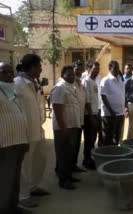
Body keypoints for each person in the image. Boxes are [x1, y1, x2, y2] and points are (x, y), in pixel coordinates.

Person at [14, 54, 49, 208]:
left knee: (40, 159)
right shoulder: (17, 84)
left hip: (38, 130)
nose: (41, 69)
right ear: (33, 67)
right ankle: (23, 196)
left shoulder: (34, 83)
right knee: (25, 165)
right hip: (25, 132)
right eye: (40, 66)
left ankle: (33, 186)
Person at [0, 62, 29, 214]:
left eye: (11, 72)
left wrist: (26, 140)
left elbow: (22, 116)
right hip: (5, 144)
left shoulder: (14, 92)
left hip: (19, 142)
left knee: (15, 179)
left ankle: (14, 207)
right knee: (5, 180)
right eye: (4, 72)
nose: (9, 75)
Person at [51, 66, 81, 190]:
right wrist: (63, 128)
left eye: (73, 74)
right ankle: (64, 180)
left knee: (69, 153)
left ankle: (67, 175)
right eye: (68, 74)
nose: (71, 77)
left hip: (72, 125)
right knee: (63, 153)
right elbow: (57, 109)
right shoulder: (59, 88)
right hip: (64, 127)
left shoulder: (71, 86)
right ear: (62, 75)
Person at [100, 61, 125, 145]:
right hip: (109, 115)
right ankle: (107, 156)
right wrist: (111, 111)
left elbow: (122, 95)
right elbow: (103, 97)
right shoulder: (105, 80)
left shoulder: (120, 79)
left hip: (120, 113)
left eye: (118, 68)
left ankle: (115, 155)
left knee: (117, 137)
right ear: (109, 69)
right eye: (115, 68)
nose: (117, 70)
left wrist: (124, 108)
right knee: (108, 137)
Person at [82, 61, 100, 169]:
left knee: (93, 138)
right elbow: (87, 101)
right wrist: (91, 117)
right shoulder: (86, 81)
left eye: (98, 69)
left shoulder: (94, 81)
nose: (96, 71)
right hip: (89, 115)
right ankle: (87, 160)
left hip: (95, 113)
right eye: (94, 69)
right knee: (89, 139)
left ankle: (89, 159)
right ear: (88, 69)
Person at [72, 61, 87, 172]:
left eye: (81, 69)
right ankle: (64, 171)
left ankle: (73, 165)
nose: (79, 71)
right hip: (71, 121)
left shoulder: (80, 84)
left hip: (80, 119)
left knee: (76, 145)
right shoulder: (67, 84)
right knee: (69, 147)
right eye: (77, 69)